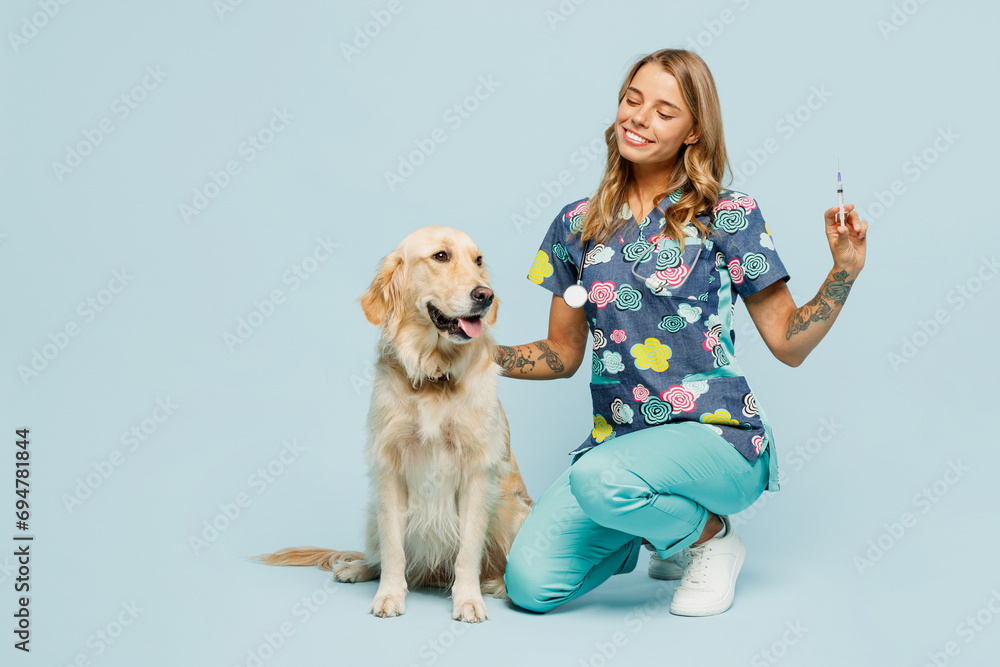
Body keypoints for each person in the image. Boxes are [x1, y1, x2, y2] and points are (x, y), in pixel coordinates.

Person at [492, 48, 867, 616]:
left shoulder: (728, 213)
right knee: (529, 585)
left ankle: (711, 538)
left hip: (718, 441)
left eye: (664, 111)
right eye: (632, 99)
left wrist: (843, 272)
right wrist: (478, 355)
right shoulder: (576, 224)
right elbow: (563, 354)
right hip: (618, 450)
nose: (638, 118)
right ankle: (660, 531)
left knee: (598, 479)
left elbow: (789, 344)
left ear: (694, 132)